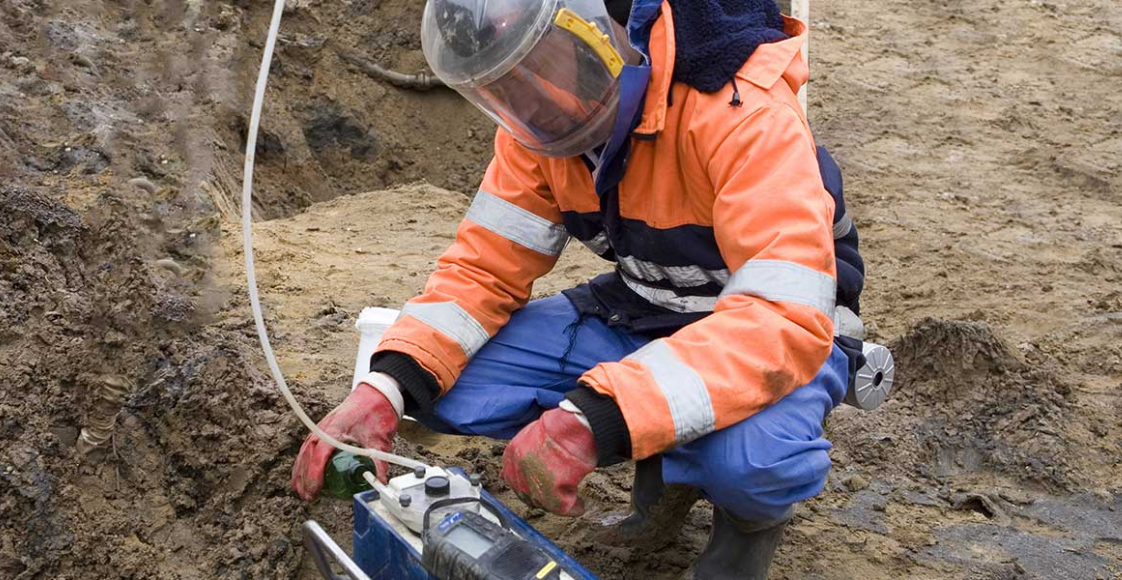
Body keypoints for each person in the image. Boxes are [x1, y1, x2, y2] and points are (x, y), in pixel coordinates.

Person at [292, 0, 868, 577]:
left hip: (784, 334)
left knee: (751, 466)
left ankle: (747, 525)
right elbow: (482, 270)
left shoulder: (742, 111)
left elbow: (783, 316)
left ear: (592, 33)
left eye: (537, 66)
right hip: (644, 306)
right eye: (505, 87)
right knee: (439, 389)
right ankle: (666, 449)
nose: (528, 99)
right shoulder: (536, 130)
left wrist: (596, 418)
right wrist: (386, 386)